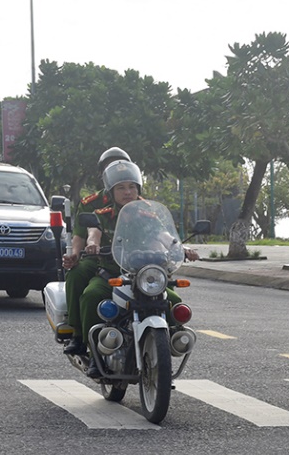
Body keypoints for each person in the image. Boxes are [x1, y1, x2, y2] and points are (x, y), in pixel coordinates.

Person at [75, 160, 198, 376]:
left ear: (138, 189)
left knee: (175, 301)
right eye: (121, 188)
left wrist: (182, 247)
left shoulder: (147, 215)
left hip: (145, 276)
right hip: (111, 275)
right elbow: (94, 233)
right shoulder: (101, 214)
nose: (127, 192)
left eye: (132, 187)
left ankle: (167, 346)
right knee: (91, 295)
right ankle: (94, 355)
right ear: (112, 191)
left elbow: (164, 236)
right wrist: (92, 244)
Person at [63, 147, 132, 359]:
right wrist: (76, 254)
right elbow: (83, 235)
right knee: (77, 274)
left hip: (135, 262)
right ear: (104, 175)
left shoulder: (139, 202)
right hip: (100, 258)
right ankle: (78, 333)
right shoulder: (91, 204)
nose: (126, 191)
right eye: (111, 167)